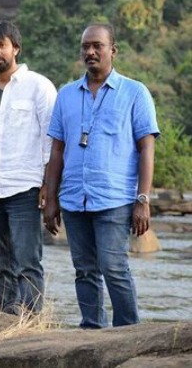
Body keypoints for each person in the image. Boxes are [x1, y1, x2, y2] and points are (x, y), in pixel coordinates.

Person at [43, 23, 160, 328]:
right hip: (74, 199)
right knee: (84, 270)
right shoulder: (66, 95)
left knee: (114, 268)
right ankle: (92, 331)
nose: (91, 52)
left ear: (113, 50)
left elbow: (147, 148)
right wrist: (51, 199)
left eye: (97, 45)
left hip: (115, 199)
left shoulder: (135, 92)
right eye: (86, 46)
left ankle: (128, 334)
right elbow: (57, 151)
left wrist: (143, 199)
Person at [0, 20, 57, 314]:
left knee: (27, 261)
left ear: (16, 48)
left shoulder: (39, 86)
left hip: (25, 188)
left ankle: (32, 321)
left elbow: (51, 140)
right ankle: (6, 319)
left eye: (2, 45)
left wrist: (47, 186)